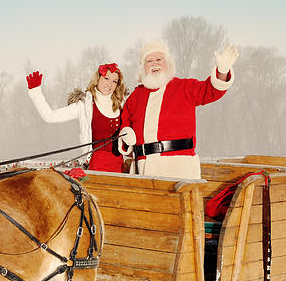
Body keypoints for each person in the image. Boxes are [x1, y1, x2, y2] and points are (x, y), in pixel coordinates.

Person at [119, 40, 239, 179]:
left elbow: (210, 90)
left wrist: (222, 72)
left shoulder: (184, 87)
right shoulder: (135, 97)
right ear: (143, 68)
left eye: (159, 59)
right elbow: (125, 130)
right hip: (144, 169)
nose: (154, 64)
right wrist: (126, 135)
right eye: (149, 61)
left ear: (168, 63)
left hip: (179, 168)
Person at [26, 63, 128, 172]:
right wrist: (36, 93)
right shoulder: (84, 105)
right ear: (98, 78)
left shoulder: (122, 105)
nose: (110, 84)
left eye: (114, 81)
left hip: (119, 164)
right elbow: (50, 116)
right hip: (97, 164)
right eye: (106, 78)